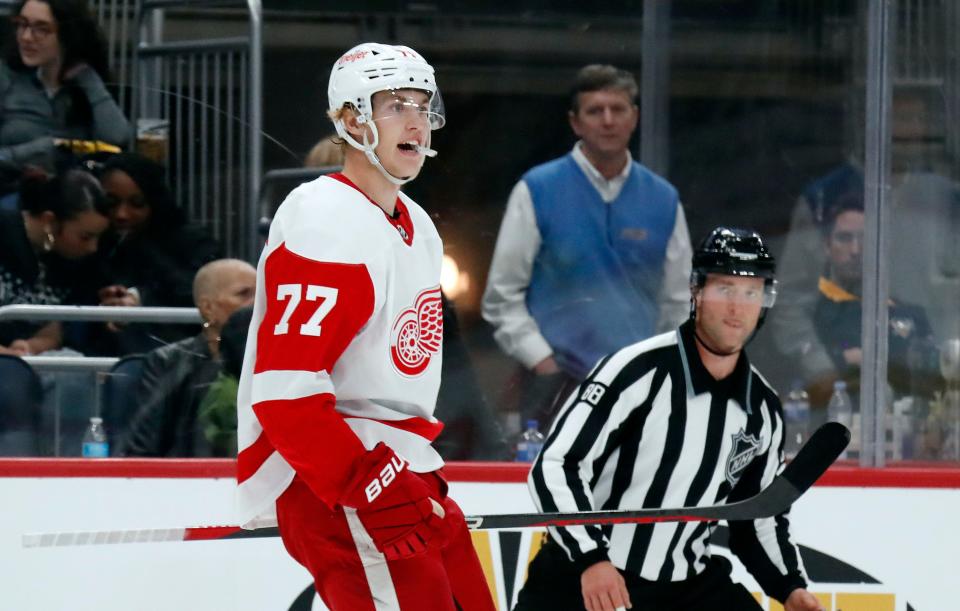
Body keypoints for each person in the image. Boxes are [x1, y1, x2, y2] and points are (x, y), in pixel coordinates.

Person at [235, 43, 495, 611]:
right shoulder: (325, 217)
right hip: (337, 480)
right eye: (395, 104)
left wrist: (402, 477)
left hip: (401, 468)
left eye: (423, 105)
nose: (416, 121)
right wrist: (367, 481)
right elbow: (284, 394)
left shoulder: (418, 224)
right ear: (352, 119)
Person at [515, 227, 822, 611]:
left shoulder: (762, 409)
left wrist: (790, 587)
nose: (737, 307)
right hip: (584, 578)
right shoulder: (636, 371)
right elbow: (557, 465)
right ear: (696, 292)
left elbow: (757, 518)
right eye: (724, 289)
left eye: (751, 292)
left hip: (684, 586)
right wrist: (590, 557)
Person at [482, 63, 692, 429]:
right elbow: (502, 298)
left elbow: (679, 303)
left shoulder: (664, 199)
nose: (607, 120)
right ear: (576, 122)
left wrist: (658, 367)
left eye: (618, 109)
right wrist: (544, 363)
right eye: (595, 111)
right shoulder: (536, 190)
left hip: (639, 389)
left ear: (635, 117)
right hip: (552, 389)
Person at [810, 198, 937, 408]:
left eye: (865, 239)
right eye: (844, 238)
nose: (855, 250)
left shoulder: (910, 314)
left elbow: (930, 376)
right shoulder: (809, 315)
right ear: (827, 246)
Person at [121, 258, 255, 457]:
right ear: (208, 308)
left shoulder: (280, 361)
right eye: (244, 294)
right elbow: (141, 447)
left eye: (261, 293)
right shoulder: (169, 362)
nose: (258, 302)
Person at [91, 152, 221, 354]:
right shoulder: (95, 240)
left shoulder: (191, 241)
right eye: (111, 202)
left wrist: (139, 299)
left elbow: (199, 295)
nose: (121, 214)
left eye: (137, 203)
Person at [0, 0, 130, 189]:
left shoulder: (86, 82)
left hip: (74, 195)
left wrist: (89, 80)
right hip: (13, 192)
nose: (26, 37)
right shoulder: (7, 76)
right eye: (22, 25)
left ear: (68, 35)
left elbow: (117, 139)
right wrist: (40, 150)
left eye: (41, 29)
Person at [0, 167, 108, 355]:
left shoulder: (69, 262)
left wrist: (30, 348)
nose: (93, 248)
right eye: (85, 237)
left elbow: (53, 331)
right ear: (50, 220)